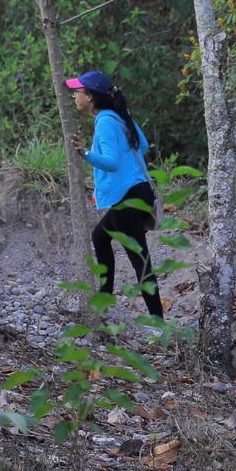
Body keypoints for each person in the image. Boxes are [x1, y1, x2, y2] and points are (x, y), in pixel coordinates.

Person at [67, 70, 164, 319]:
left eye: (77, 92)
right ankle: (105, 300)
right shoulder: (119, 115)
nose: (74, 97)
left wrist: (85, 153)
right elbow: (141, 145)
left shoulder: (105, 122)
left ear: (90, 97)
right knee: (100, 236)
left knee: (140, 260)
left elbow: (110, 162)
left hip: (128, 198)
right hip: (138, 192)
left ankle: (157, 321)